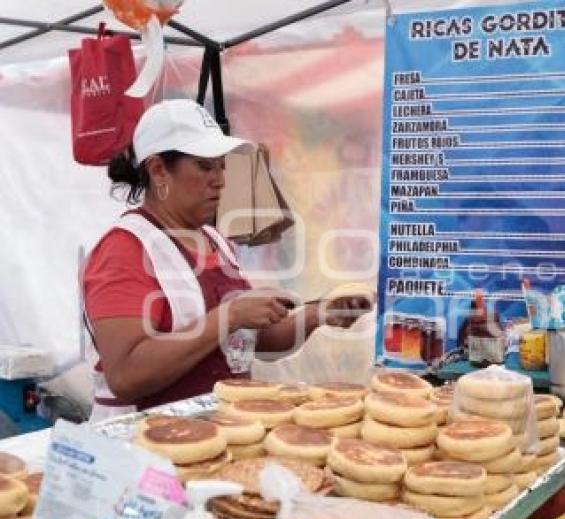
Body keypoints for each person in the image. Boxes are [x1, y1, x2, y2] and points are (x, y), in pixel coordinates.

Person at [83, 99, 372, 421]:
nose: (220, 180)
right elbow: (126, 377)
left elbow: (255, 342)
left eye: (222, 166)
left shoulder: (215, 239)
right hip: (141, 446)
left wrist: (318, 314)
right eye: (205, 167)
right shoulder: (124, 251)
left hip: (217, 434)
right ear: (158, 170)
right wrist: (228, 316)